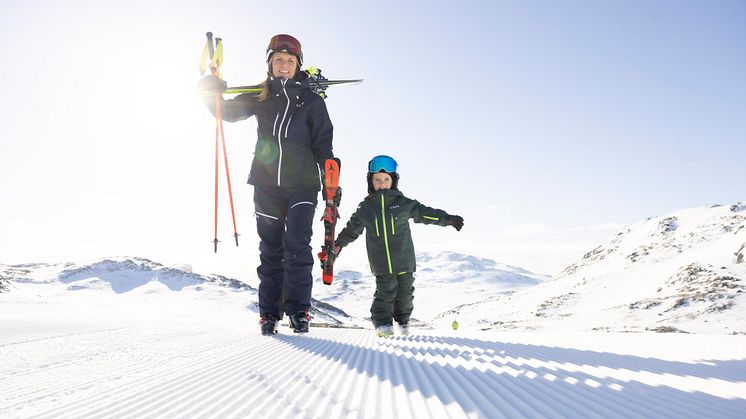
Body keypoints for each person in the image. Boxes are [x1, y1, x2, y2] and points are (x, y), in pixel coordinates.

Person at [199, 34, 338, 335]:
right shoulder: (259, 96)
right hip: (266, 183)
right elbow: (227, 113)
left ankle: (300, 311)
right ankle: (269, 314)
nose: (284, 65)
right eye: (278, 60)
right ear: (270, 65)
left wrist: (331, 180)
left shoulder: (312, 101)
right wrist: (210, 92)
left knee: (297, 247)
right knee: (271, 250)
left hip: (303, 185)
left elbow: (324, 146)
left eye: (289, 60)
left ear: (298, 65)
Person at [334, 155, 464, 337]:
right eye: (377, 180)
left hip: (404, 260)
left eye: (386, 180)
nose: (382, 184)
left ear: (393, 181)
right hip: (381, 263)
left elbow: (425, 213)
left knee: (405, 295)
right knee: (384, 293)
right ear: (370, 182)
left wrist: (448, 219)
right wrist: (338, 245)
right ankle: (383, 326)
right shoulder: (366, 208)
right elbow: (351, 231)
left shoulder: (403, 204)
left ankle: (403, 323)